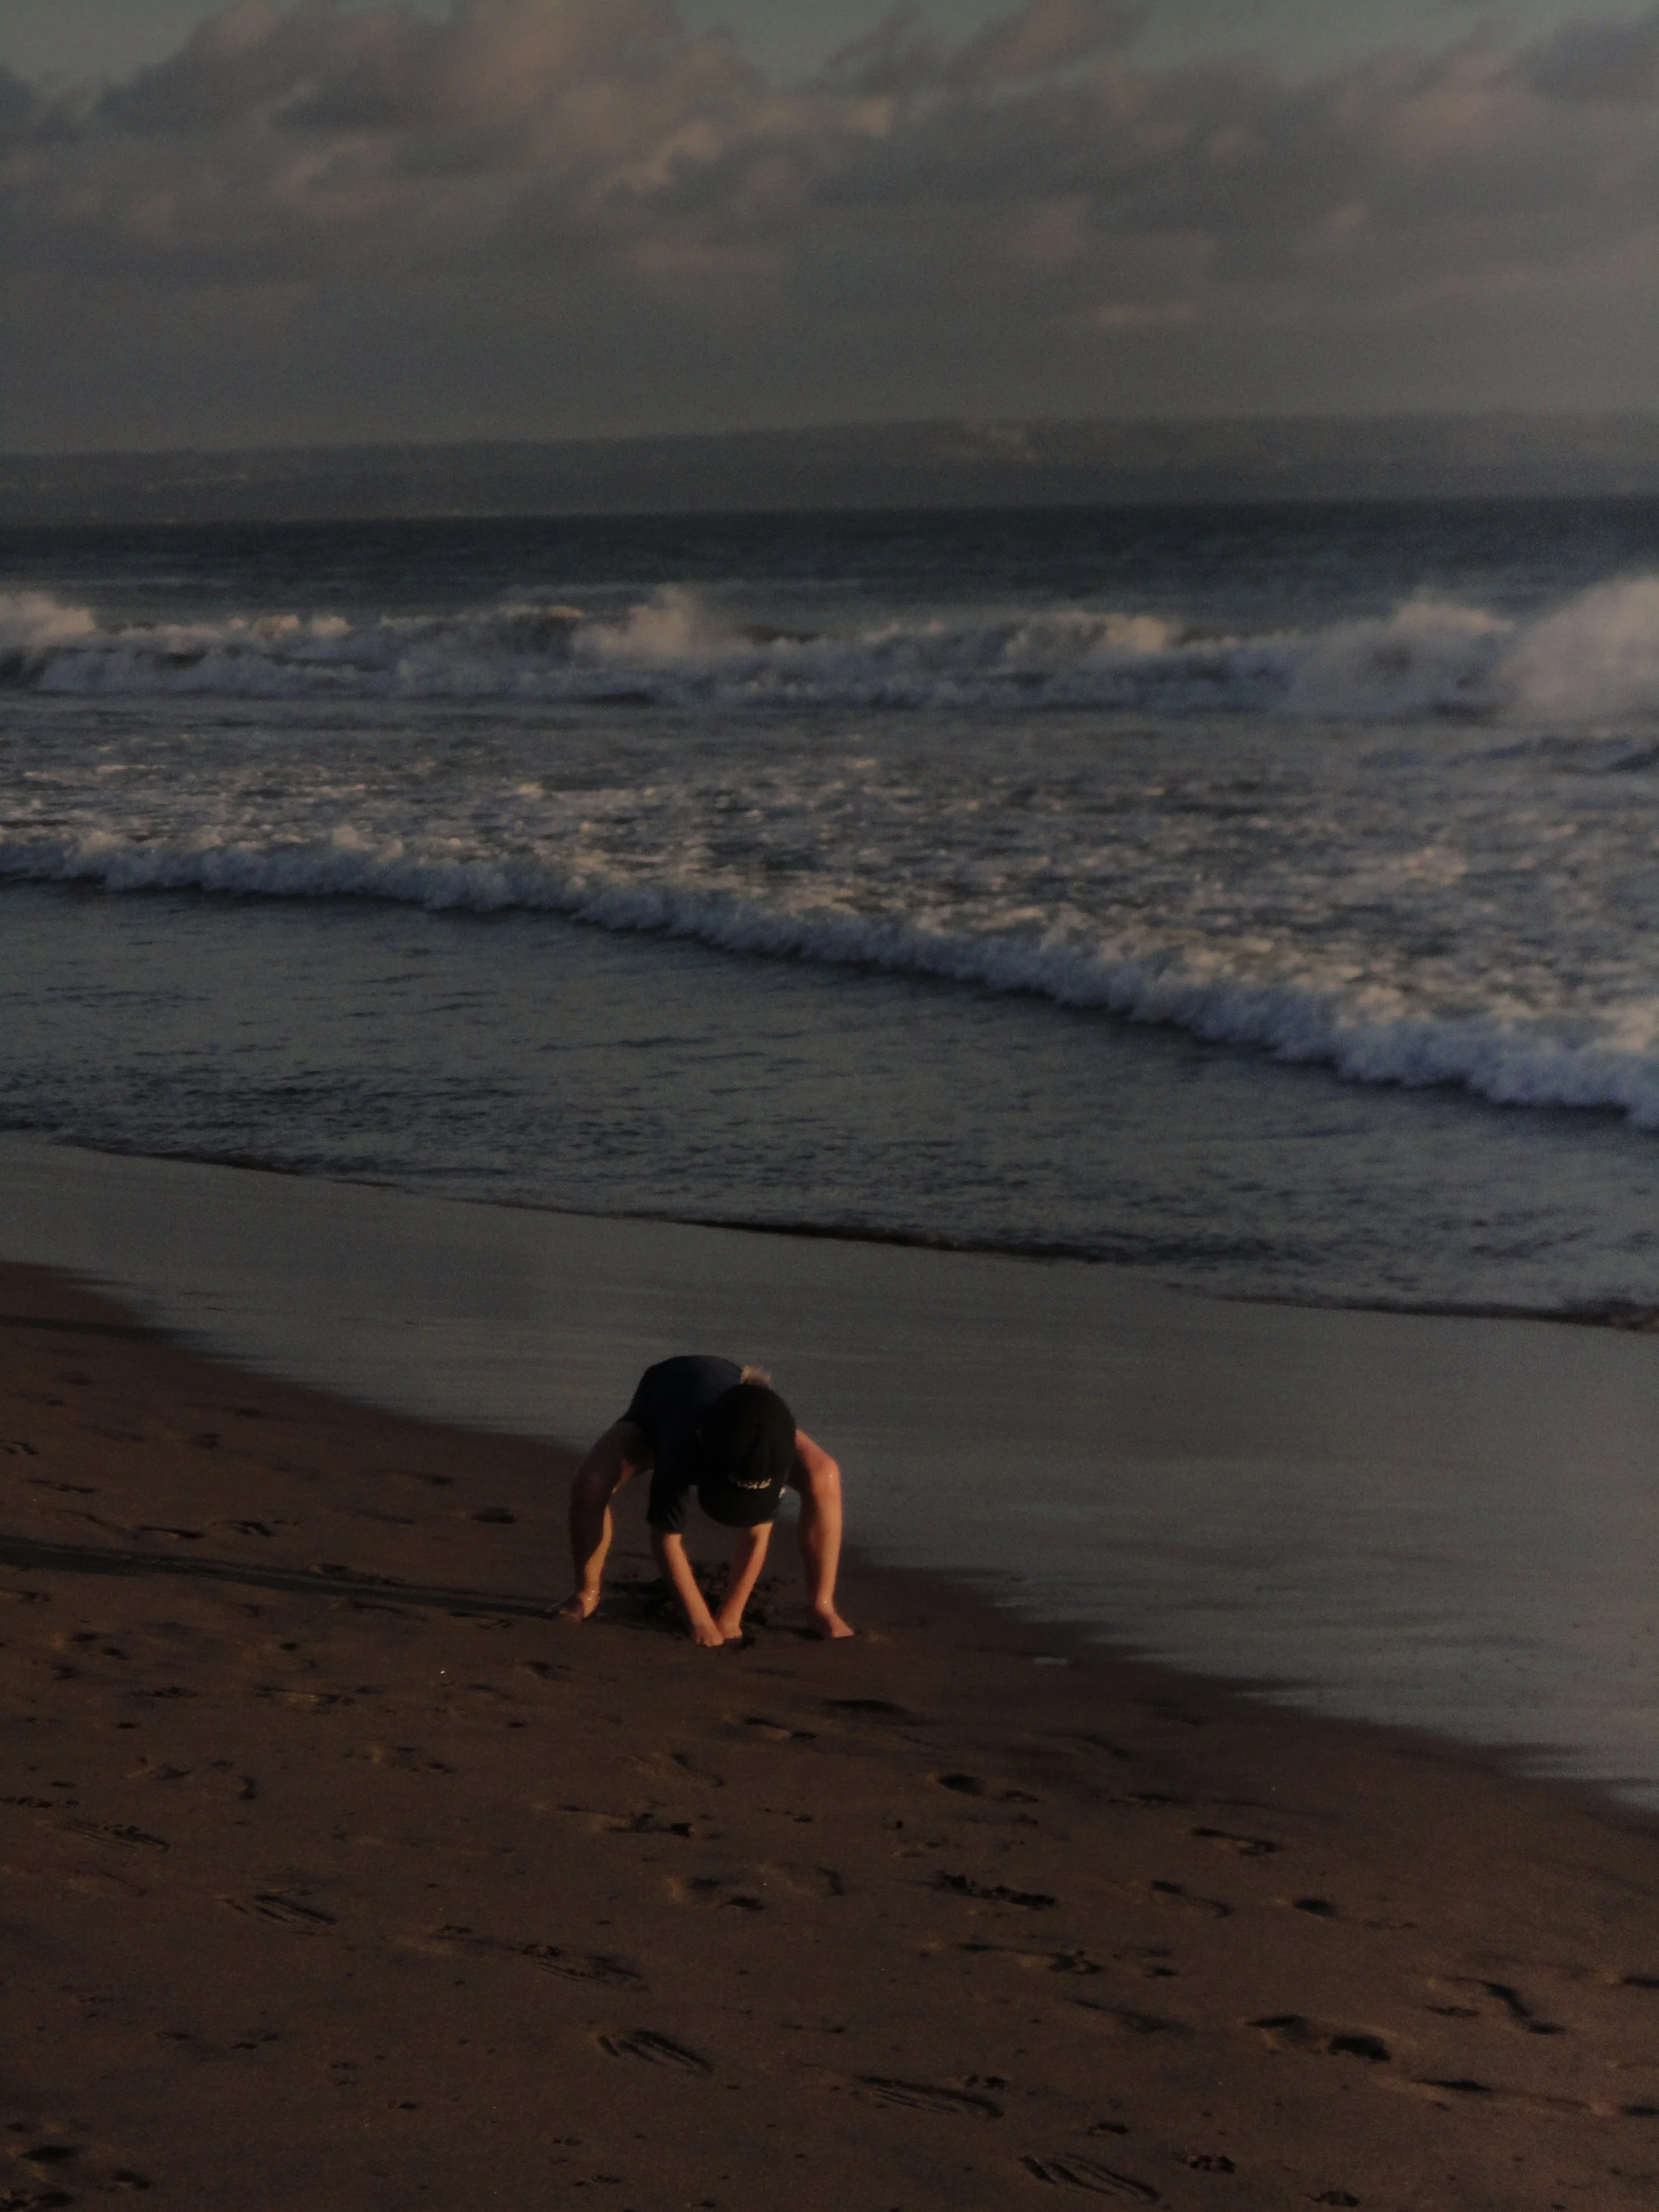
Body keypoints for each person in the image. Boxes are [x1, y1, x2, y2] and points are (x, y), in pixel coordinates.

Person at [557, 1355, 853, 1645]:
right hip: (662, 1398)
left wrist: (731, 1617)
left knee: (824, 1474)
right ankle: (587, 1591)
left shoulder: (770, 1445)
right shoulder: (680, 1445)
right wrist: (698, 1619)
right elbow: (666, 1539)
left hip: (744, 1416)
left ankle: (821, 1606)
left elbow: (757, 1534)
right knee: (591, 1483)